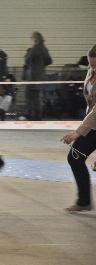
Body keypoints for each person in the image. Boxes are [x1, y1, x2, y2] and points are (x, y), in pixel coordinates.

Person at [60, 45, 96, 212]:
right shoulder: (91, 70)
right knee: (74, 158)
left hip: (92, 122)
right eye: (91, 64)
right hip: (93, 126)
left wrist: (77, 132)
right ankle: (84, 202)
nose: (92, 68)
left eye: (95, 65)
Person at [23, 31, 52, 121]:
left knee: (31, 97)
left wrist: (27, 55)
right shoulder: (44, 48)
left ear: (35, 39)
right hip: (41, 75)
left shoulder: (34, 49)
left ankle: (35, 116)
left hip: (33, 76)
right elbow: (50, 61)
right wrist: (42, 65)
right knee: (38, 96)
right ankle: (38, 115)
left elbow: (27, 60)